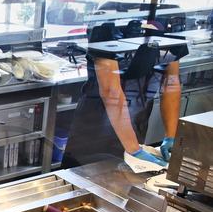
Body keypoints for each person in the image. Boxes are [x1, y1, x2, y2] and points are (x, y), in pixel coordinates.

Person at [63, 21, 185, 169]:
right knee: (87, 175)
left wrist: (171, 136)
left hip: (136, 123)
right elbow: (110, 91)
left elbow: (171, 83)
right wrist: (134, 151)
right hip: (96, 125)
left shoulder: (170, 21)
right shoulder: (109, 23)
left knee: (124, 179)